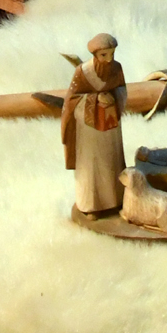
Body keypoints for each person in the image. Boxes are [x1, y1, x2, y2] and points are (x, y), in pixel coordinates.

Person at [61, 32, 126, 216]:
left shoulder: (117, 68)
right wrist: (95, 99)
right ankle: (91, 206)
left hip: (110, 125)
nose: (109, 59)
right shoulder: (83, 72)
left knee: (111, 160)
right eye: (104, 55)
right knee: (91, 166)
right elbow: (72, 100)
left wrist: (114, 98)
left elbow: (122, 89)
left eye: (112, 54)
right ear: (95, 55)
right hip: (89, 130)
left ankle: (116, 201)